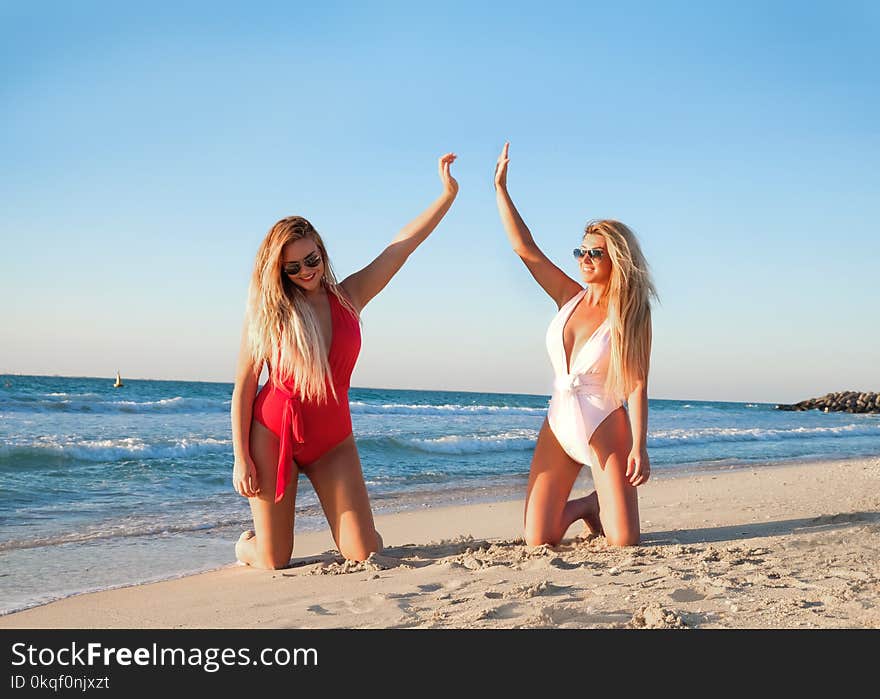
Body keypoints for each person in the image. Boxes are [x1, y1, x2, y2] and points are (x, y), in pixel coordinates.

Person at [232, 153, 459, 569]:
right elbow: (245, 385)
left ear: (322, 252)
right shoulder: (268, 311)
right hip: (272, 435)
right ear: (280, 270)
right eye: (293, 266)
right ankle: (248, 543)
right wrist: (240, 457)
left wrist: (446, 195)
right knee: (273, 560)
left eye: (312, 260)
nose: (305, 271)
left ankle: (357, 528)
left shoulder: (349, 297)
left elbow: (400, 248)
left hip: (332, 440)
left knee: (365, 553)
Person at [494, 142, 656, 547]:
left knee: (623, 543)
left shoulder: (631, 312)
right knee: (539, 538)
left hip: (604, 421)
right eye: (581, 250)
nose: (584, 258)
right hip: (560, 420)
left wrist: (640, 445)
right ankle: (588, 505)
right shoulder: (569, 297)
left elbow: (636, 383)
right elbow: (524, 248)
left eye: (595, 253)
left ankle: (604, 506)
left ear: (617, 258)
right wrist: (501, 190)